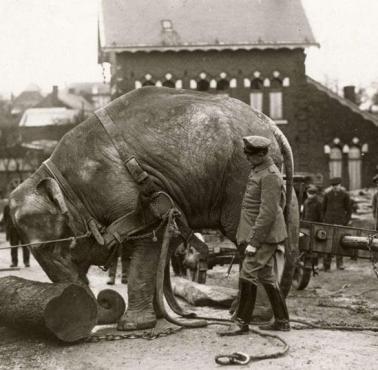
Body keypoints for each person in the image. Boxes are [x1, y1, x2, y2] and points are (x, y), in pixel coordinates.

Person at [218, 135, 289, 336]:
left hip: (264, 237)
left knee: (248, 272)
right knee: (267, 275)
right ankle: (282, 321)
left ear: (261, 154)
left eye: (250, 155)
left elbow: (268, 213)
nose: (247, 158)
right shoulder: (259, 169)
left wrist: (255, 242)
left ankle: (241, 323)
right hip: (261, 234)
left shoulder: (270, 175)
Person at [322, 177, 352, 271]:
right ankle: (327, 265)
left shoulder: (345, 195)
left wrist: (345, 221)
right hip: (329, 221)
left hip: (340, 221)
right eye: (333, 186)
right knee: (328, 242)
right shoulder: (327, 194)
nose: (335, 187)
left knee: (340, 242)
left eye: (337, 185)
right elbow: (323, 208)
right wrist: (324, 219)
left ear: (340, 185)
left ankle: (340, 264)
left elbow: (349, 209)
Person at [3, 202, 30, 268]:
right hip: (13, 230)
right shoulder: (7, 207)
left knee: (25, 246)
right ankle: (14, 262)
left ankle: (26, 262)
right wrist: (8, 229)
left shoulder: (23, 205)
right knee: (14, 247)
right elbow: (6, 218)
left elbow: (27, 217)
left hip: (22, 229)